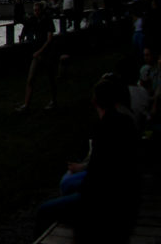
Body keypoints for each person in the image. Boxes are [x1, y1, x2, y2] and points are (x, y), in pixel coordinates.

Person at [35, 75, 140, 242]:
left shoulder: (104, 128)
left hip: (104, 200)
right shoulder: (125, 121)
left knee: (43, 212)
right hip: (125, 197)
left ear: (95, 101)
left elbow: (97, 174)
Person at [16, 1, 57, 113]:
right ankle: (26, 104)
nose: (36, 12)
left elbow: (49, 39)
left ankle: (53, 101)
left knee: (51, 78)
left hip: (46, 53)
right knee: (31, 78)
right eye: (34, 10)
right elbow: (26, 25)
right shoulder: (34, 19)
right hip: (37, 53)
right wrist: (22, 35)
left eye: (37, 10)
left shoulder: (48, 20)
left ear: (42, 10)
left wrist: (39, 51)